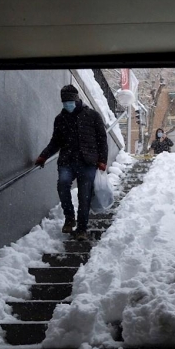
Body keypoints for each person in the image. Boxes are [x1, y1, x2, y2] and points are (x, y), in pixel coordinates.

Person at [35, 85, 108, 241]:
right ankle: (69, 218)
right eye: (64, 101)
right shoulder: (60, 119)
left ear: (76, 99)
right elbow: (55, 142)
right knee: (62, 185)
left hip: (87, 162)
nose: (67, 104)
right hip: (67, 161)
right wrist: (43, 156)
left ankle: (82, 228)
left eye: (69, 101)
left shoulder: (92, 116)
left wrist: (102, 160)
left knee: (84, 195)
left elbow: (102, 139)